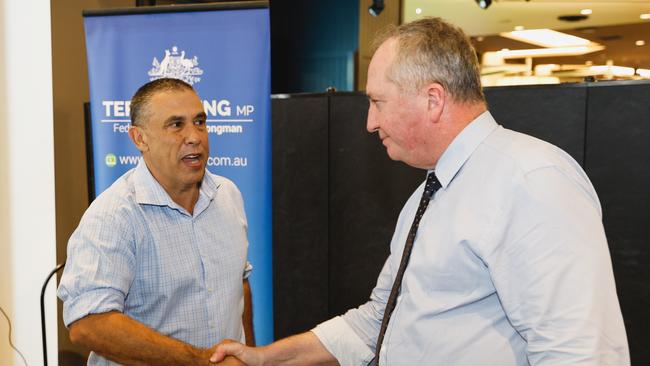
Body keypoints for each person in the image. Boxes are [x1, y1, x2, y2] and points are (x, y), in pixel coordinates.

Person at [210, 17, 629, 366]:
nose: (369, 123)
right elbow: (380, 321)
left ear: (433, 100)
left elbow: (580, 352)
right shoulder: (430, 192)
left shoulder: (532, 179)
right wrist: (265, 358)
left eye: (378, 102)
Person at [58, 78, 250, 365]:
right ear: (139, 138)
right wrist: (199, 362)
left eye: (199, 121)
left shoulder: (228, 195)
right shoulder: (113, 215)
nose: (195, 136)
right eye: (176, 125)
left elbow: (239, 285)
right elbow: (88, 325)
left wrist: (250, 356)